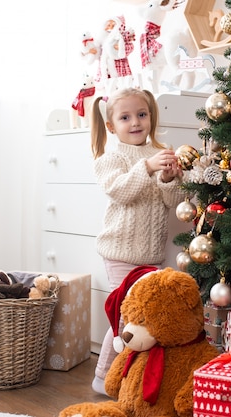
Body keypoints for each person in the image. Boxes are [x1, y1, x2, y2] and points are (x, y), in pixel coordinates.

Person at [89, 87, 186, 395]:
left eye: (141, 115)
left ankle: (129, 375)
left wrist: (169, 178)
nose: (135, 123)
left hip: (150, 254)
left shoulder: (158, 152)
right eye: (125, 117)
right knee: (124, 317)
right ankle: (103, 377)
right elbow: (121, 191)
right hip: (120, 252)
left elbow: (173, 202)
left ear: (150, 117)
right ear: (111, 126)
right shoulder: (111, 157)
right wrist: (146, 167)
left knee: (144, 319)